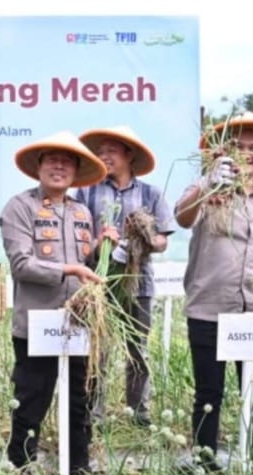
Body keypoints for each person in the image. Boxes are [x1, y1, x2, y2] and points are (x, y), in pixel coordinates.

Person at [174, 111, 253, 473]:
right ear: (222, 151)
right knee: (210, 392)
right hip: (208, 307)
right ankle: (204, 461)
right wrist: (208, 184)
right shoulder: (204, 187)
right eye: (238, 147)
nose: (246, 154)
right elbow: (183, 217)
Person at [0, 131, 107, 475]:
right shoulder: (20, 207)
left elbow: (85, 263)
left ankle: (78, 468)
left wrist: (99, 249)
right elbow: (21, 265)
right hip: (36, 323)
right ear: (39, 167)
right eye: (52, 160)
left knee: (80, 397)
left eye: (67, 161)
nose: (59, 166)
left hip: (78, 322)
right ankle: (22, 467)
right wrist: (68, 270)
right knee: (32, 397)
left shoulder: (81, 211)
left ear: (76, 171)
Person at [75, 126, 175, 427]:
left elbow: (162, 240)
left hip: (138, 283)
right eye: (100, 152)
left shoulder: (150, 193)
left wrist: (140, 241)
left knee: (137, 349)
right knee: (98, 349)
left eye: (111, 152)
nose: (104, 157)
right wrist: (100, 242)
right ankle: (93, 413)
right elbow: (79, 236)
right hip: (99, 282)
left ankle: (139, 413)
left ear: (129, 156)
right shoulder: (86, 191)